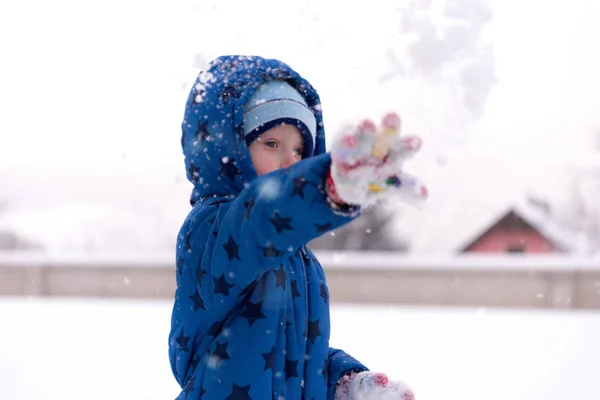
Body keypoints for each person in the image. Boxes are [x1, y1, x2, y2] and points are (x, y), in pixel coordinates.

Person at [169, 55, 426, 400]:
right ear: (227, 148)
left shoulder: (297, 258)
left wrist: (344, 383)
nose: (291, 161)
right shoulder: (212, 231)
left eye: (300, 150)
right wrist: (326, 185)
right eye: (272, 144)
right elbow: (261, 215)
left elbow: (298, 356)